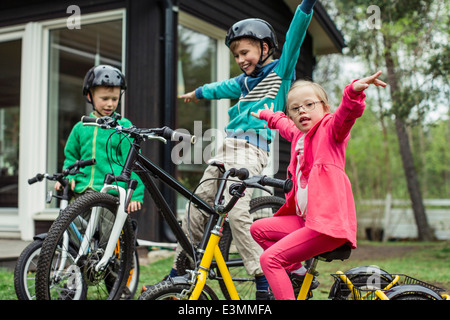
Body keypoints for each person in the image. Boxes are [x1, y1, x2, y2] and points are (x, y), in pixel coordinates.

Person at [169, 0, 317, 299]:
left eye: (245, 52)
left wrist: (306, 5)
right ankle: (179, 270)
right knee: (196, 207)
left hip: (252, 148)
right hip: (226, 148)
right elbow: (221, 87)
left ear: (265, 48)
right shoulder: (244, 82)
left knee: (235, 211)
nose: (240, 58)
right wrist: (197, 93)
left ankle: (262, 275)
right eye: (236, 54)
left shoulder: (281, 71)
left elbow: (296, 35)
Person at [249, 71, 387, 300]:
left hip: (327, 226)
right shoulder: (298, 136)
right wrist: (267, 115)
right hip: (306, 221)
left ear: (324, 108)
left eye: (309, 104)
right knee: (258, 229)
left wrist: (352, 92)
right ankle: (299, 273)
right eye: (295, 108)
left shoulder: (331, 131)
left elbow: (346, 115)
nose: (302, 110)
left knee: (270, 260)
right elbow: (284, 125)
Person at [55, 65, 144, 213]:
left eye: (114, 99)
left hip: (110, 193)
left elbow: (134, 162)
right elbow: (71, 157)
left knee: (105, 234)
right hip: (81, 192)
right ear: (90, 96)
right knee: (77, 231)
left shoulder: (124, 126)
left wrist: (135, 194)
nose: (110, 104)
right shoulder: (80, 127)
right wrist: (69, 176)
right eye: (104, 98)